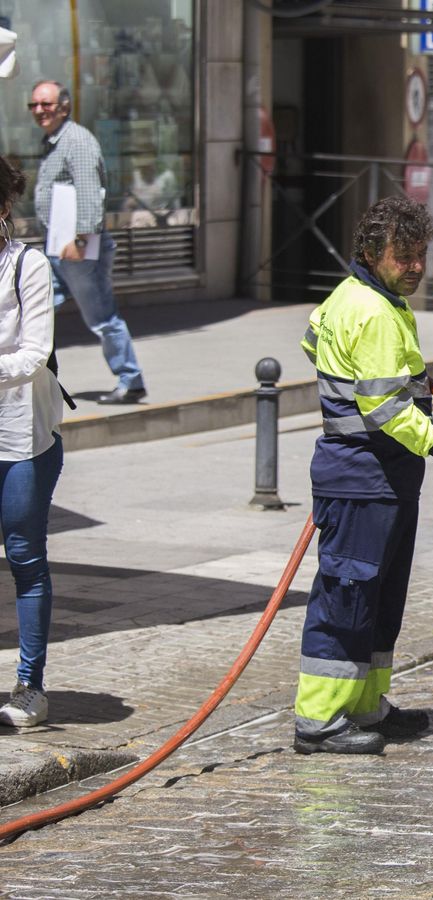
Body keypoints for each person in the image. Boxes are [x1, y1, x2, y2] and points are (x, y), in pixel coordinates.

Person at [294, 195, 433, 755]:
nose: (414, 266)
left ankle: (364, 705)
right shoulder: (375, 312)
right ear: (370, 252)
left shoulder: (358, 298)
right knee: (348, 599)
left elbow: (313, 340)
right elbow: (385, 410)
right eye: (402, 256)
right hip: (362, 477)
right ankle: (319, 721)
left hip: (382, 479)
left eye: (419, 254)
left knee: (379, 599)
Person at [29, 79, 146, 405]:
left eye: (46, 104)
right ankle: (31, 377)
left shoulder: (76, 141)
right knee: (36, 311)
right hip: (57, 247)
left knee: (102, 317)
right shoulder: (54, 141)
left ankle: (131, 380)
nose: (39, 110)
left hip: (77, 250)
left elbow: (91, 194)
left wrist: (81, 240)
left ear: (64, 107)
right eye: (34, 104)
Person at [0, 156, 66, 728]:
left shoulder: (28, 264)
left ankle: (30, 686)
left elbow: (34, 353)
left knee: (24, 555)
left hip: (21, 435)